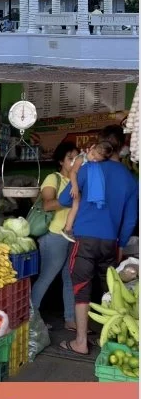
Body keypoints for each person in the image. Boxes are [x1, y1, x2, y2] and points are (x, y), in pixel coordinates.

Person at [60, 137, 139, 356]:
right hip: (111, 242)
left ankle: (81, 342)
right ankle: (110, 340)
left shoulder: (88, 169)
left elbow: (65, 199)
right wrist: (120, 244)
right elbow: (131, 218)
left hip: (85, 240)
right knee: (111, 291)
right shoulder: (130, 178)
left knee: (81, 288)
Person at [32, 143, 81, 346]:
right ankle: (31, 317)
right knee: (46, 277)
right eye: (70, 158)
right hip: (54, 236)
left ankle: (70, 319)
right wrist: (71, 198)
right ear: (61, 161)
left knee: (70, 279)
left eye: (77, 158)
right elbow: (47, 204)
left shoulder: (78, 180)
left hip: (73, 236)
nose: (74, 162)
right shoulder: (54, 178)